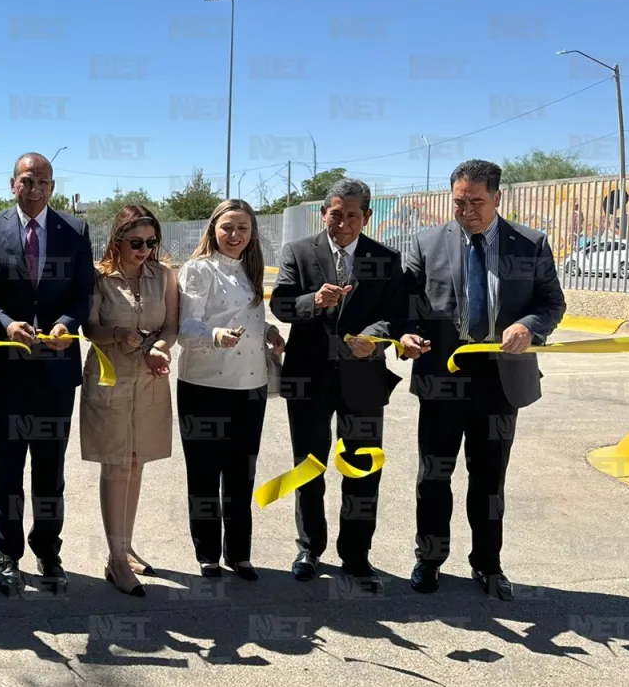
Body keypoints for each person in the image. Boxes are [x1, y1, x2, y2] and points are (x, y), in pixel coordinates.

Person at [401, 159, 565, 600]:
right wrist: (404, 333)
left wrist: (530, 325)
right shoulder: (427, 242)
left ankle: (488, 565)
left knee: (489, 479)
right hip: (442, 375)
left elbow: (553, 303)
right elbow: (406, 305)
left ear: (497, 197)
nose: (466, 210)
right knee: (433, 475)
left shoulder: (530, 244)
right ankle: (429, 559)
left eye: (476, 201)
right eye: (459, 202)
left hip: (499, 378)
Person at [270, 179, 414, 594]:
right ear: (324, 213)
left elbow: (397, 315)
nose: (344, 223)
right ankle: (309, 548)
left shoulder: (385, 258)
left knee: (362, 468)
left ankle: (356, 555)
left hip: (364, 379)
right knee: (308, 467)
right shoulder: (299, 252)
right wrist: (313, 301)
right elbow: (281, 305)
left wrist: (373, 332)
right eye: (336, 214)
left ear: (366, 217)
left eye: (353, 215)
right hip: (308, 377)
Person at [0, 152, 94, 595]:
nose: (34, 189)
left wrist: (68, 324)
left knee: (49, 469)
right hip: (5, 373)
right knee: (5, 469)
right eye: (27, 181)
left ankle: (48, 552)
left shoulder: (75, 231)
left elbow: (83, 294)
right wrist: (5, 323)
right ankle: (7, 556)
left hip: (56, 374)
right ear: (12, 184)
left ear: (53, 187)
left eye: (42, 182)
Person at [175, 199, 284, 581]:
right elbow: (186, 329)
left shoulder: (251, 269)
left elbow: (251, 317)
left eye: (242, 228)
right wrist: (214, 335)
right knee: (204, 474)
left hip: (250, 388)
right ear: (213, 230)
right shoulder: (198, 270)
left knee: (242, 475)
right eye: (227, 228)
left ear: (252, 233)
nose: (234, 236)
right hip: (204, 386)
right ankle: (207, 553)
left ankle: (240, 554)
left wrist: (268, 331)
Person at [78, 205, 177, 597]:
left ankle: (126, 546)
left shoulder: (164, 275)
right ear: (118, 239)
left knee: (136, 463)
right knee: (116, 464)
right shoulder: (99, 278)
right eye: (137, 242)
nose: (145, 250)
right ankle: (115, 559)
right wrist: (119, 334)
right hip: (110, 375)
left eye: (152, 242)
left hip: (150, 376)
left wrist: (161, 349)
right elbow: (89, 328)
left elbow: (170, 326)